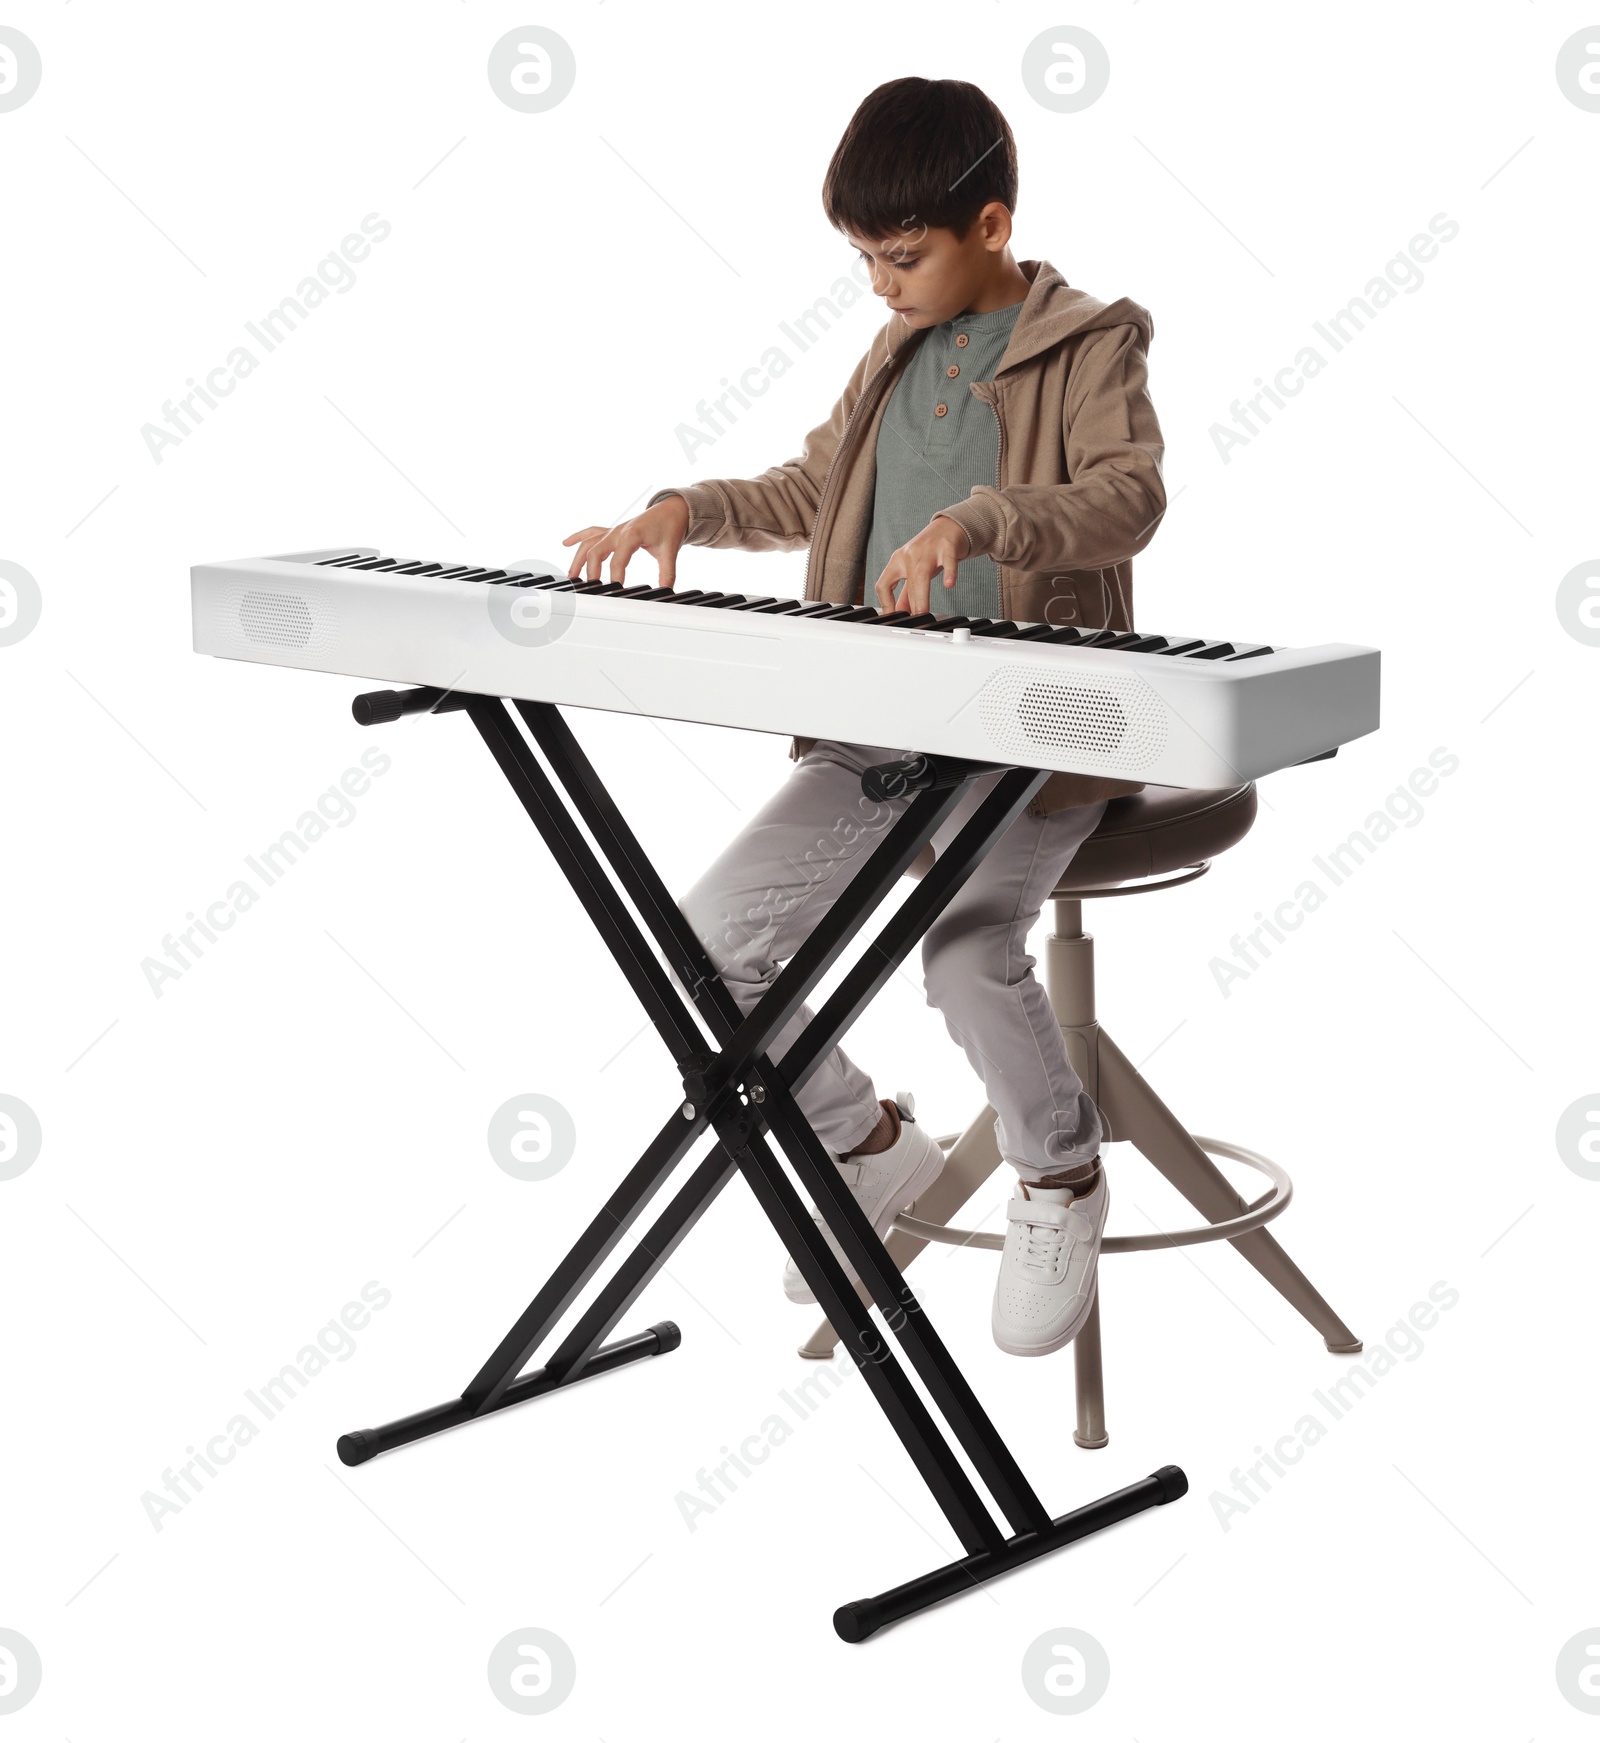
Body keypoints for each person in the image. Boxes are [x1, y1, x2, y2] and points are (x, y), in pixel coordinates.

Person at [563, 76, 1166, 1356]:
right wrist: (692, 509)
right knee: (701, 950)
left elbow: (1127, 497)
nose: (880, 286)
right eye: (862, 260)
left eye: (902, 258)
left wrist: (987, 519)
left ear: (990, 227)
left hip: (1036, 732)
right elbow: (812, 486)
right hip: (879, 727)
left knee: (961, 948)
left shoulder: (1091, 340)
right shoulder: (894, 351)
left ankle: (1058, 1175)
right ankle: (874, 1147)